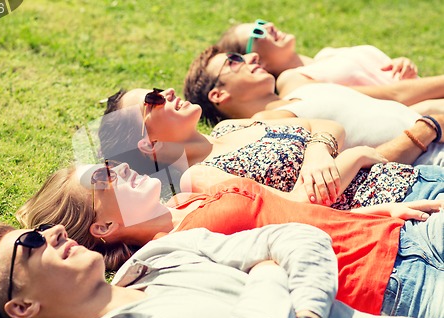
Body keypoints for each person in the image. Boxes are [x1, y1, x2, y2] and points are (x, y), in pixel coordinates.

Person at [16, 161, 444, 318]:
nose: (115, 168)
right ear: (103, 228)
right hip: (391, 284)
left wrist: (366, 215)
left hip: (402, 234)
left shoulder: (187, 202)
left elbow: (289, 213)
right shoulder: (170, 256)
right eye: (100, 178)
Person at [0, 221, 444, 318]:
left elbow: (296, 237)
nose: (52, 232)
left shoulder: (162, 253)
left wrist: (309, 309)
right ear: (22, 306)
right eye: (30, 243)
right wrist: (267, 278)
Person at [98, 87, 443, 208]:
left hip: (416, 175)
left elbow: (322, 126)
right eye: (152, 101)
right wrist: (352, 156)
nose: (167, 93)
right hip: (401, 204)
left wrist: (318, 150)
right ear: (150, 143)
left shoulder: (228, 126)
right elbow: (296, 207)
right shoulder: (202, 178)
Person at [182, 46, 444, 166]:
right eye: (234, 61)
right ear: (218, 94)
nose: (252, 56)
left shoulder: (305, 91)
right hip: (429, 161)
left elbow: (392, 103)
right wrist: (426, 129)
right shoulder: (263, 126)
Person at [216, 19, 444, 115]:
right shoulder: (296, 82)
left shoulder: (327, 54)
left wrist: (401, 65)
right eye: (258, 32)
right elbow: (394, 96)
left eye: (261, 23)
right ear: (256, 58)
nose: (269, 26)